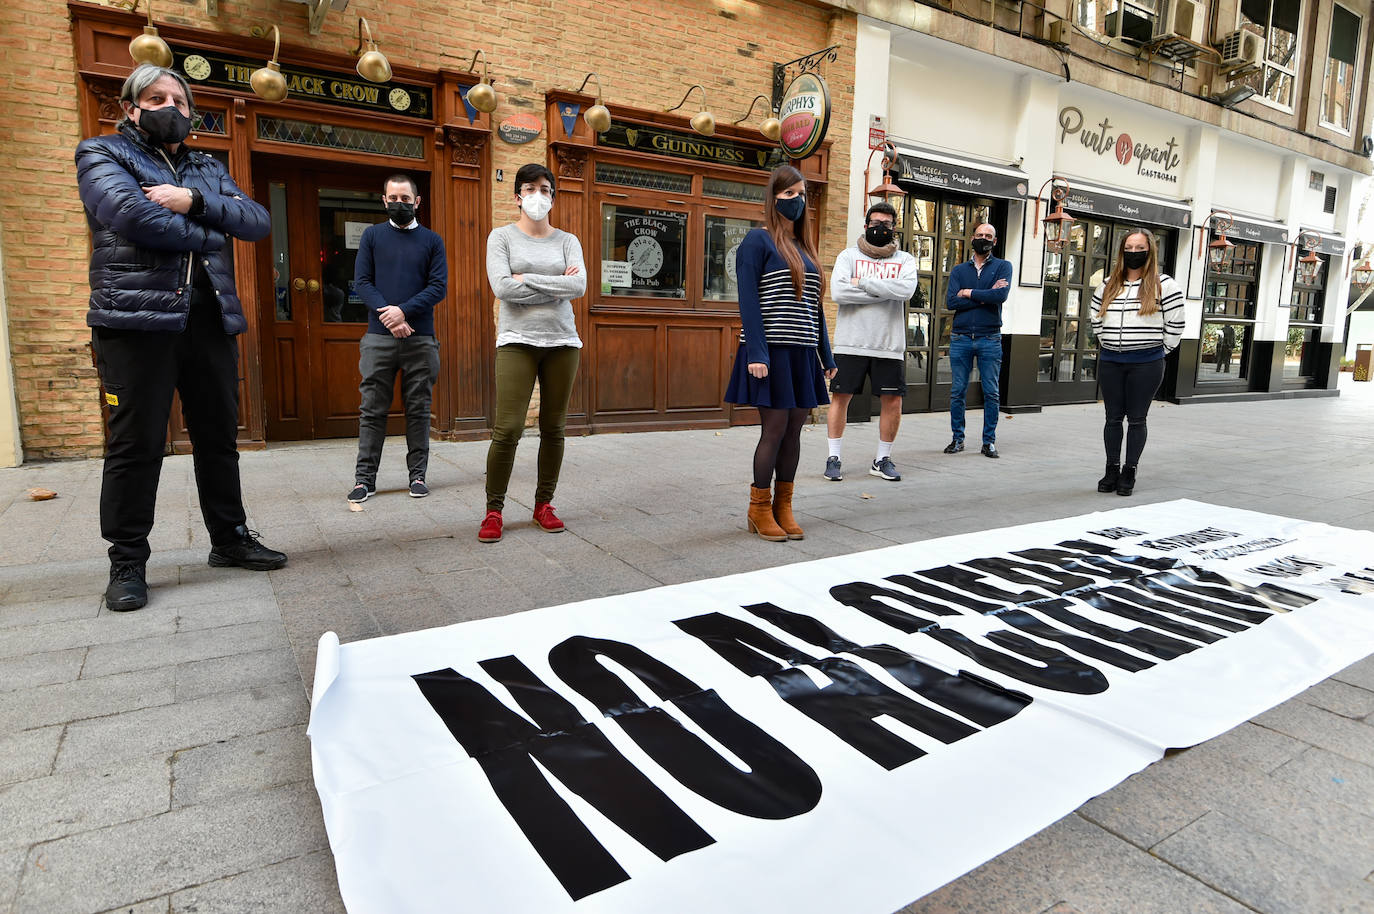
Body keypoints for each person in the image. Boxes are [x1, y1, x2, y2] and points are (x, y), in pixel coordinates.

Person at [75, 64, 286, 612]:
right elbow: (130, 216)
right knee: (136, 444)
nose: (171, 106)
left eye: (180, 99)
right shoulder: (102, 154)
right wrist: (214, 233)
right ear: (130, 107)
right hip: (134, 322)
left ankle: (229, 539)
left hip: (208, 318)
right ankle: (126, 561)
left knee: (218, 437)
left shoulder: (206, 166)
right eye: (155, 97)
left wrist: (191, 202)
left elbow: (258, 221)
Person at [724, 164, 836, 541]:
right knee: (773, 429)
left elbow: (814, 308)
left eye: (802, 194)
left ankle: (783, 507)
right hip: (770, 351)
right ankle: (758, 508)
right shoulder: (758, 241)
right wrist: (757, 352)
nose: (797, 201)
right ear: (773, 198)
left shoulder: (806, 248)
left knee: (794, 433)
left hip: (803, 355)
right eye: (789, 194)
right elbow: (748, 301)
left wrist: (827, 356)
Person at [479, 163, 585, 543]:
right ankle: (494, 510)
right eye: (529, 188)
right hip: (516, 341)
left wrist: (530, 279)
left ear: (552, 197)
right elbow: (503, 289)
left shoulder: (567, 240)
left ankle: (544, 504)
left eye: (544, 188)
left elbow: (580, 286)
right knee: (507, 429)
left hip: (562, 342)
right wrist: (557, 284)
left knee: (553, 428)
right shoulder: (501, 237)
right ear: (517, 196)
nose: (537, 195)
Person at [348, 175, 447, 503]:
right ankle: (365, 480)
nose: (399, 204)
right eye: (393, 198)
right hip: (379, 339)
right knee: (372, 410)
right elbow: (362, 282)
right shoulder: (373, 237)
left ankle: (417, 476)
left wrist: (402, 312)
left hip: (420, 340)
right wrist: (388, 316)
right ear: (384, 200)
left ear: (417, 202)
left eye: (405, 198)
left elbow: (438, 287)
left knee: (419, 409)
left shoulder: (432, 241)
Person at [825, 201, 918, 482]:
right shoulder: (847, 256)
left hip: (889, 345)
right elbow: (839, 293)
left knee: (892, 402)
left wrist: (862, 282)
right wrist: (884, 291)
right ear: (866, 226)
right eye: (876, 223)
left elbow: (906, 290)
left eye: (887, 225)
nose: (881, 228)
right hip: (850, 343)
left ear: (893, 228)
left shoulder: (905, 260)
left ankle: (882, 459)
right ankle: (834, 457)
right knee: (841, 398)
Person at [1089, 230, 1184, 496]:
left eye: (1139, 247)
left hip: (1146, 362)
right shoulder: (1107, 284)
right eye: (1129, 247)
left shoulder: (1165, 285)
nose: (1133, 252)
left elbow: (1175, 323)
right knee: (1112, 418)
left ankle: (1129, 471)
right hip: (1111, 360)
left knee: (1137, 419)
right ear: (1122, 251)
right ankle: (1111, 469)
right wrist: (1107, 342)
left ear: (1149, 251)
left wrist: (1160, 351)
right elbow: (1095, 317)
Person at [944, 223, 1012, 458]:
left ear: (995, 241)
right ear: (972, 238)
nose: (983, 238)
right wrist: (985, 295)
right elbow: (951, 302)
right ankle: (957, 439)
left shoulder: (1004, 266)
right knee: (957, 391)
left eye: (988, 236)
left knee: (991, 392)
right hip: (961, 338)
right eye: (980, 235)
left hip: (989, 338)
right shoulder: (959, 270)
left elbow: (1000, 295)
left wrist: (968, 292)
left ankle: (989, 442)